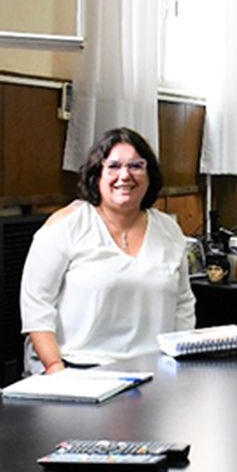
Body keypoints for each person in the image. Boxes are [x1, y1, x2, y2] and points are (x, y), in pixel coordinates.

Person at [19, 127, 195, 374]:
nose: (125, 175)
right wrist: (54, 368)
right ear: (97, 175)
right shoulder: (67, 226)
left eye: (136, 166)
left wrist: (181, 362)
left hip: (155, 372)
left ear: (149, 175)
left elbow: (183, 303)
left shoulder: (169, 230)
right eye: (113, 166)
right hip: (77, 370)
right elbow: (36, 306)